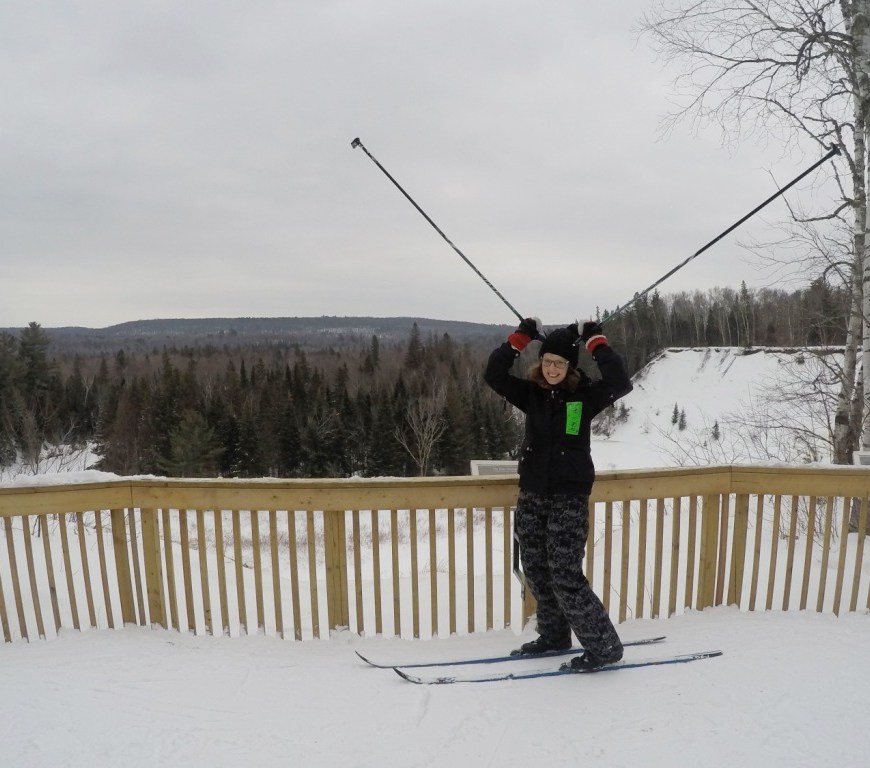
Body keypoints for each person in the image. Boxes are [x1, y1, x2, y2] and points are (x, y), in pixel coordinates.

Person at [484, 316, 633, 671]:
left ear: (570, 366)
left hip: (569, 496)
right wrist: (519, 340)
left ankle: (605, 647)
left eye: (560, 363)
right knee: (535, 567)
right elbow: (494, 374)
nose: (552, 369)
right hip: (533, 493)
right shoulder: (531, 394)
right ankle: (554, 635)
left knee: (564, 572)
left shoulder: (585, 396)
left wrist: (595, 341)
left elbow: (620, 381)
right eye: (547, 361)